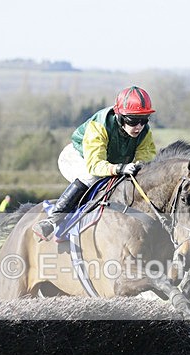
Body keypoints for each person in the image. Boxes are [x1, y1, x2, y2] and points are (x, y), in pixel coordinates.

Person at [31, 86, 157, 241]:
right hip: (77, 158)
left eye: (144, 120)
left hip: (109, 163)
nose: (139, 126)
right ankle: (52, 220)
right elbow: (95, 165)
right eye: (133, 120)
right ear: (120, 116)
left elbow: (146, 161)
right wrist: (120, 168)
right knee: (91, 177)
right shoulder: (100, 125)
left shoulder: (144, 132)